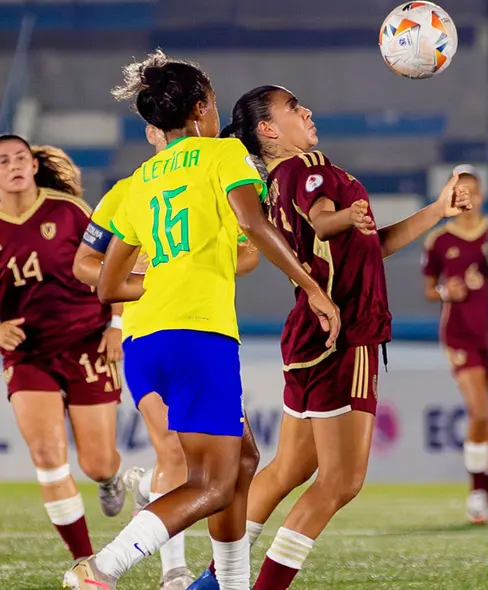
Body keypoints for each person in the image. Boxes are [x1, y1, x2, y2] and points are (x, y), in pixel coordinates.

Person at [63, 51, 338, 590]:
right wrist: (311, 289)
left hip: (146, 341)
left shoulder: (138, 182)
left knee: (242, 460)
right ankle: (102, 568)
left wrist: (163, 277)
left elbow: (105, 285)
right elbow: (254, 226)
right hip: (199, 335)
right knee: (211, 482)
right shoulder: (223, 156)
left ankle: (229, 583)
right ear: (202, 108)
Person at [188, 84, 469, 590]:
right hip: (346, 335)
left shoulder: (275, 184)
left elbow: (370, 245)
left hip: (308, 335)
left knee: (287, 467)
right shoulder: (310, 166)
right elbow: (324, 221)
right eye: (294, 107)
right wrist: (341, 216)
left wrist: (435, 211)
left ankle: (212, 582)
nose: (308, 110)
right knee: (340, 482)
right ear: (268, 129)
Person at [71, 122, 261, 590]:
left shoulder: (169, 182)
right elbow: (85, 265)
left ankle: (228, 580)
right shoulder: (140, 185)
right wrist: (153, 282)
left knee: (243, 459)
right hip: (170, 330)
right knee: (183, 456)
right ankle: (155, 569)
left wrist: (180, 271)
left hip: (166, 332)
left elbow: (246, 253)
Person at [0, 137, 125, 565]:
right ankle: (85, 563)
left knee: (98, 464)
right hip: (28, 355)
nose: (14, 166)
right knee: (48, 457)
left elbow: (117, 259)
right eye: (3, 161)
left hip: (87, 341)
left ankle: (110, 480)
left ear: (34, 166)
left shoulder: (69, 211)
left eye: (21, 159)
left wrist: (117, 325)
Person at [422, 164, 488, 524]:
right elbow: (428, 287)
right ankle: (479, 490)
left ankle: (487, 487)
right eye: (459, 193)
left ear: (481, 196)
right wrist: (443, 291)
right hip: (460, 334)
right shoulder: (440, 240)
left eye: (470, 192)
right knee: (479, 412)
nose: (465, 199)